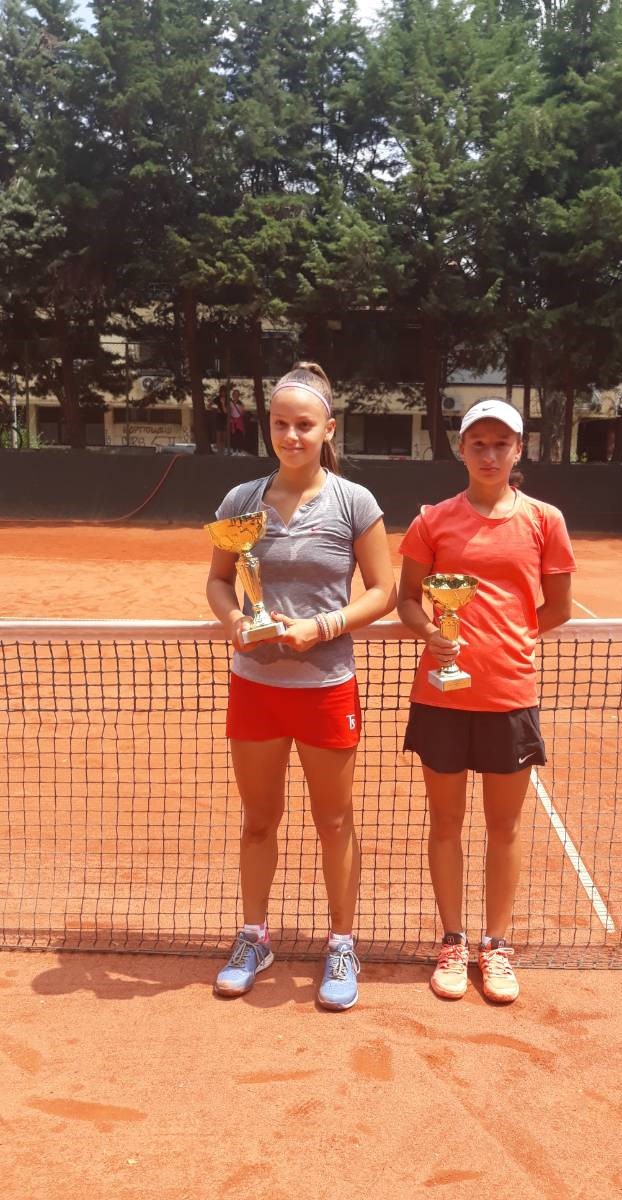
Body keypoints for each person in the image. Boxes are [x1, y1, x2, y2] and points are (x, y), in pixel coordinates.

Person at [206, 361, 396, 1009]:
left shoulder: (354, 502)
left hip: (326, 687)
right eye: (281, 424)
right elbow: (219, 581)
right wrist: (236, 623)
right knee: (259, 821)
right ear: (269, 427)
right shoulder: (240, 501)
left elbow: (384, 590)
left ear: (328, 430)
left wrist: (325, 626)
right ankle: (254, 936)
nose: (292, 436)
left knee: (334, 820)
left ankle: (341, 942)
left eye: (305, 425)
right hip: (255, 686)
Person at [397, 399, 575, 1005]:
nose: (490, 454)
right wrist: (433, 633)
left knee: (504, 826)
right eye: (479, 443)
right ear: (462, 449)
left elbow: (558, 608)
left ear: (519, 449)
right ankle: (453, 941)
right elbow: (408, 599)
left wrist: (511, 641)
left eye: (502, 443)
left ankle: (495, 946)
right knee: (445, 823)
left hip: (509, 694)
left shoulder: (545, 520)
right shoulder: (432, 521)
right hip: (442, 696)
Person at [228, 388, 247, 453]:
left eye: (237, 394)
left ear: (238, 396)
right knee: (233, 435)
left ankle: (239, 448)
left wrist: (242, 410)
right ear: (232, 395)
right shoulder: (230, 403)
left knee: (239, 435)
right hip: (232, 421)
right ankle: (234, 448)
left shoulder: (241, 404)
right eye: (234, 394)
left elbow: (243, 413)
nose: (236, 396)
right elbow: (229, 412)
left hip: (239, 421)